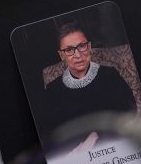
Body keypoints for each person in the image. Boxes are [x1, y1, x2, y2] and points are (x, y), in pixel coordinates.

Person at [42, 22, 135, 153]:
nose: (78, 55)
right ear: (61, 55)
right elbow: (53, 134)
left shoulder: (110, 75)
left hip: (115, 149)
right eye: (69, 50)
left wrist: (94, 137)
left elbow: (128, 115)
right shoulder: (53, 90)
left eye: (82, 46)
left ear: (89, 46)